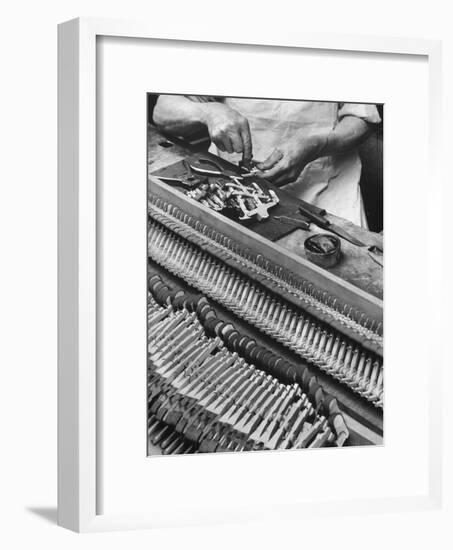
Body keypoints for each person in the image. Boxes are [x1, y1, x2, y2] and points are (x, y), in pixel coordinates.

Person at [153, 95, 381, 227]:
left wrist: (317, 145)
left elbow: (362, 119)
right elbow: (163, 111)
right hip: (232, 186)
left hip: (326, 190)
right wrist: (208, 112)